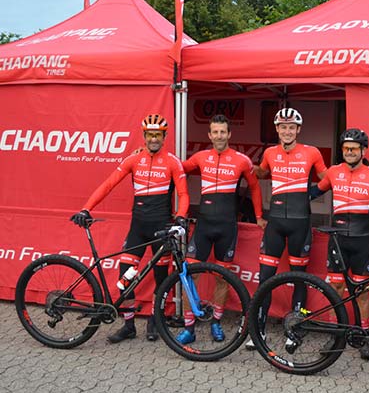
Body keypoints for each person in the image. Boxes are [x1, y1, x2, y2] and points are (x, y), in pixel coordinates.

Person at [70, 114, 189, 343]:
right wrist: (86, 208)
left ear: (164, 137)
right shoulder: (134, 159)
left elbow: (183, 194)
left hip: (161, 228)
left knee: (161, 278)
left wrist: (182, 216)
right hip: (138, 227)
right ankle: (128, 325)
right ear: (144, 136)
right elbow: (109, 184)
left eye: (158, 135)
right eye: (150, 134)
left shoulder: (173, 161)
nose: (154, 139)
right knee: (125, 274)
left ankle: (155, 321)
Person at [178, 115, 265, 345]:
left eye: (222, 132)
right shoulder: (200, 157)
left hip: (227, 226)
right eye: (215, 132)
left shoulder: (241, 160)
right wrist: (147, 154)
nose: (219, 136)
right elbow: (176, 170)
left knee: (222, 278)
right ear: (209, 135)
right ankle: (189, 327)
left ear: (229, 134)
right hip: (204, 224)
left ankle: (216, 322)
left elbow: (255, 187)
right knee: (190, 276)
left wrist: (259, 217)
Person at [249, 107, 328, 347]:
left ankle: (294, 331)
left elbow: (327, 178)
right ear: (277, 129)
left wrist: (310, 194)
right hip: (275, 222)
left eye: (291, 127)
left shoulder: (311, 152)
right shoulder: (270, 152)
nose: (286, 131)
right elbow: (261, 172)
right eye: (282, 127)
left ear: (298, 130)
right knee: (265, 279)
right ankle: (258, 330)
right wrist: (251, 168)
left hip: (300, 222)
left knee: (299, 279)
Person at [312, 129, 369, 327]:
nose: (349, 152)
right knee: (335, 287)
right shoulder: (333, 172)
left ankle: (363, 333)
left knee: (362, 291)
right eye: (346, 148)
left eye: (354, 148)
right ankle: (335, 330)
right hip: (338, 239)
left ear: (363, 151)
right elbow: (313, 192)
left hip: (362, 239)